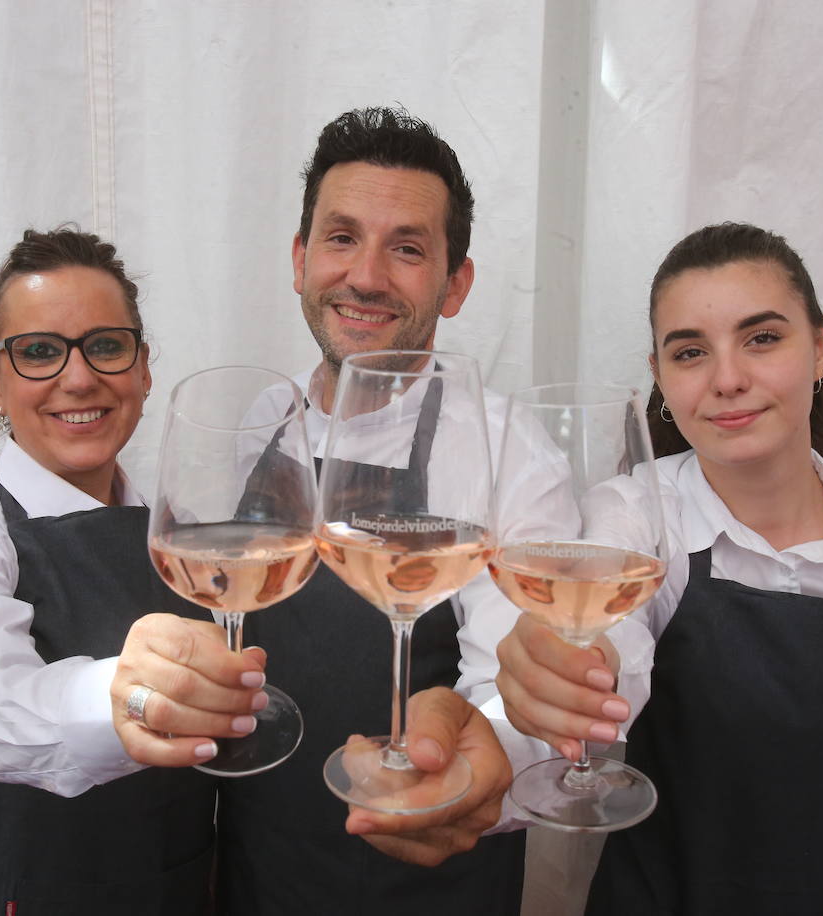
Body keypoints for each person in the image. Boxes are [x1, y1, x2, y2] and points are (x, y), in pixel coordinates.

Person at [212, 107, 641, 915]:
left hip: (425, 871)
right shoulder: (262, 420)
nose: (366, 276)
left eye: (406, 248)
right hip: (257, 865)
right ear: (300, 259)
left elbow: (522, 673)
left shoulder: (506, 451)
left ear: (455, 284)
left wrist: (471, 766)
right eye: (340, 238)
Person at [494, 222, 823, 915]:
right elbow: (609, 643)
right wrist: (568, 668)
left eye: (763, 338)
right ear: (659, 376)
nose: (729, 379)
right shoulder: (637, 516)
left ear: (821, 344)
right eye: (690, 352)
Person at [0, 228, 266, 914]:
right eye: (40, 352)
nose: (79, 377)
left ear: (143, 367)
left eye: (105, 345)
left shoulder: (186, 537)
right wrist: (126, 692)